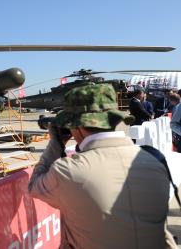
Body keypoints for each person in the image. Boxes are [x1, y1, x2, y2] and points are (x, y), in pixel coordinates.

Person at [28, 83, 177, 249]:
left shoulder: (69, 171)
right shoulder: (154, 161)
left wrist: (56, 143)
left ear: (77, 128)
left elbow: (34, 186)